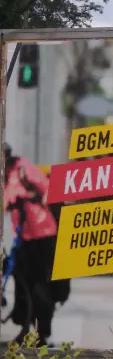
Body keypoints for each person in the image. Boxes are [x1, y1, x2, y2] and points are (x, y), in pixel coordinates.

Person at [3, 145, 66, 346]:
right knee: (23, 284)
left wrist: (31, 203)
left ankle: (42, 334)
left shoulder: (22, 168)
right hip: (24, 237)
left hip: (43, 234)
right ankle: (26, 330)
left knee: (41, 287)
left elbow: (49, 189)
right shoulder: (5, 176)